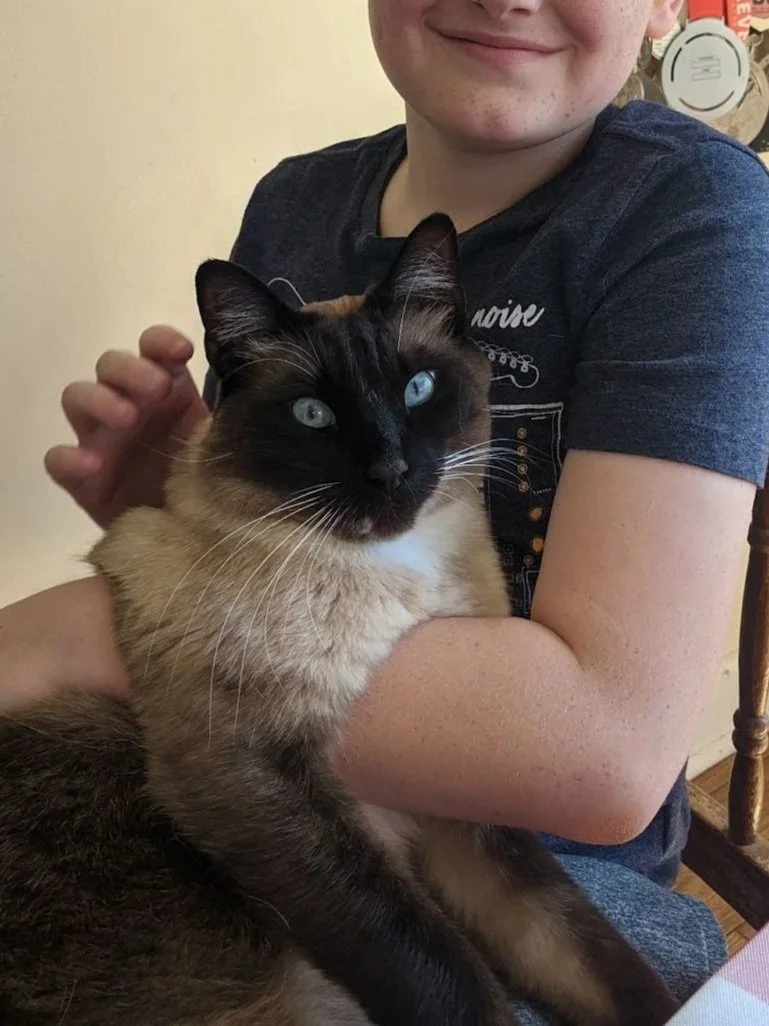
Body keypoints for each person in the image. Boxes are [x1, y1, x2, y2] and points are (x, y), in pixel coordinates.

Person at [4, 0, 769, 1017]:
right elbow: (282, 612)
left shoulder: (686, 210)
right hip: (245, 833)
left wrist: (102, 629)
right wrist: (185, 523)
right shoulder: (296, 203)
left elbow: (604, 758)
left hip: (552, 855)